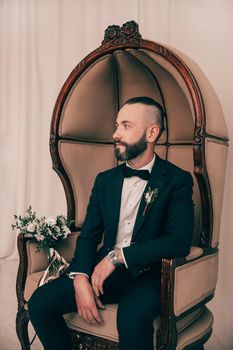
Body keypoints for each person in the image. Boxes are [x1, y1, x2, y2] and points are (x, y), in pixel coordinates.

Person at [28, 96, 194, 350]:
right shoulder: (105, 180)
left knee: (132, 319)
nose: (115, 133)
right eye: (117, 125)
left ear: (152, 132)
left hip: (147, 276)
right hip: (101, 273)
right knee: (40, 303)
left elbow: (179, 241)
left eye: (125, 126)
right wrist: (80, 277)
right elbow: (89, 235)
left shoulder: (177, 180)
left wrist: (118, 256)